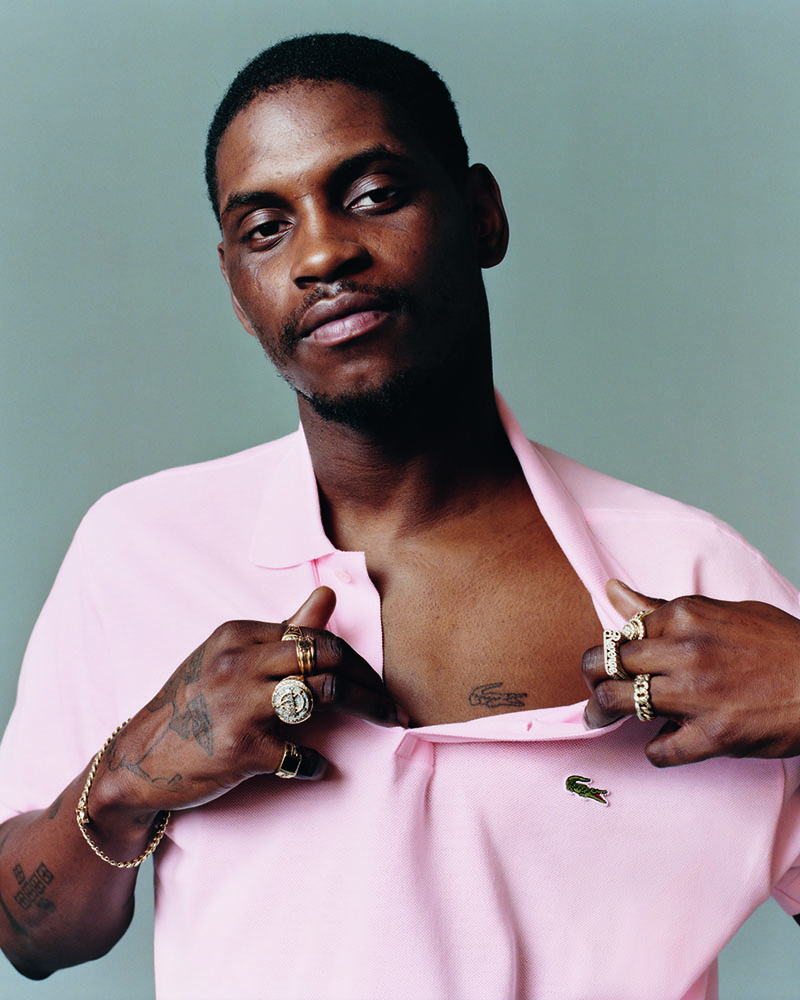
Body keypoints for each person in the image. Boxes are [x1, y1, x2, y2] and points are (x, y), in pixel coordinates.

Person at [0, 31, 799, 1000]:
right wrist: (133, 777)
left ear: (482, 214)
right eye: (266, 228)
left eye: (373, 194)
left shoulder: (691, 572)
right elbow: (27, 933)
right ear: (236, 289)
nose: (322, 252)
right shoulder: (141, 549)